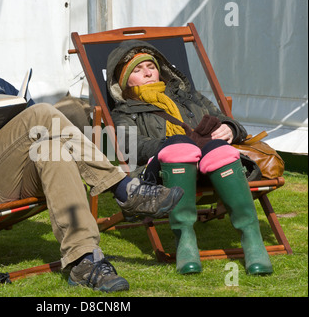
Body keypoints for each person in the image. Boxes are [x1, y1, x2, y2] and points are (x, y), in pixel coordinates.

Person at [0, 15, 184, 292]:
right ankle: (123, 188)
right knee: (44, 113)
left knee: (52, 148)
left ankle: (83, 260)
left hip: (13, 170)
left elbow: (30, 115)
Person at [105, 39, 273, 275]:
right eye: (136, 69)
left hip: (208, 166)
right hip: (164, 174)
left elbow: (226, 119)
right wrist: (174, 143)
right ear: (124, 81)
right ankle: (185, 239)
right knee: (179, 146)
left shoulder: (189, 98)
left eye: (150, 66)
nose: (147, 72)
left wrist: (230, 128)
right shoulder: (124, 112)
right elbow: (130, 147)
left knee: (221, 150)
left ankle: (252, 240)